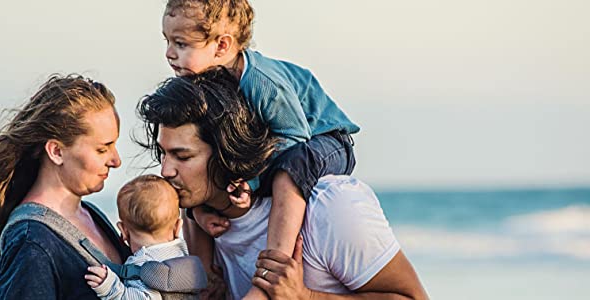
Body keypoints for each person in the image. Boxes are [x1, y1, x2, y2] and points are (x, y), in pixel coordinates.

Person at [138, 69, 428, 299]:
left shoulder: (331, 208)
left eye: (182, 156)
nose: (166, 170)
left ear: (227, 153)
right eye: (163, 153)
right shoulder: (194, 224)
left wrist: (306, 297)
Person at [161, 1, 360, 284]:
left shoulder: (262, 83)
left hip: (325, 139)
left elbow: (294, 136)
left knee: (288, 173)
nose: (169, 54)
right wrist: (202, 210)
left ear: (221, 46)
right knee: (203, 169)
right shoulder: (212, 78)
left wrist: (251, 180)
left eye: (181, 44)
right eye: (167, 41)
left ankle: (274, 267)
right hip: (290, 142)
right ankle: (206, 275)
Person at [0, 74, 129, 300]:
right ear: (56, 151)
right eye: (102, 150)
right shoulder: (31, 241)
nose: (116, 161)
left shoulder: (92, 215)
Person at [85, 174, 204, 299]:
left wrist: (110, 288)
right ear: (178, 227)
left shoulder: (145, 265)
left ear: (123, 231)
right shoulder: (181, 255)